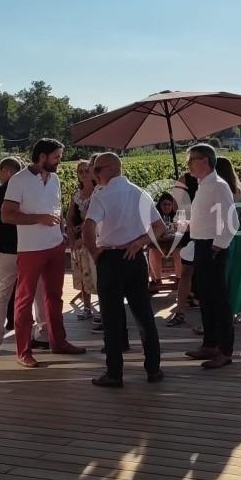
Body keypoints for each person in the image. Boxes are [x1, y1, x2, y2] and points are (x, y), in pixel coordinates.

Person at [82, 152, 167, 387]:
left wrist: (95, 253)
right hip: (135, 257)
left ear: (109, 169)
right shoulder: (140, 193)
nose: (94, 175)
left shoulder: (102, 196)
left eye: (97, 170)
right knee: (144, 315)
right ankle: (153, 369)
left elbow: (87, 229)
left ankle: (114, 373)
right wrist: (140, 242)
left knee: (111, 317)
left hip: (110, 257)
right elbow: (159, 226)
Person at [3, 138, 85, 368]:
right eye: (56, 156)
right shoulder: (19, 181)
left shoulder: (56, 179)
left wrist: (62, 235)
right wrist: (38, 219)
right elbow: (6, 215)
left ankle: (58, 342)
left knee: (55, 297)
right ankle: (23, 352)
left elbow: (55, 211)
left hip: (55, 246)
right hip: (30, 250)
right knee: (24, 300)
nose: (60, 161)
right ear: (42, 156)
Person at [0, 157, 51, 356]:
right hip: (32, 248)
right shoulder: (35, 188)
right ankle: (42, 335)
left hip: (6, 250)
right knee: (38, 293)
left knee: (2, 295)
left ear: (6, 171)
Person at [184, 144, 236, 369]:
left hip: (211, 248)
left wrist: (217, 247)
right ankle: (210, 343)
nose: (189, 165)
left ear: (204, 160)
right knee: (205, 297)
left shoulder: (218, 185)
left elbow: (231, 221)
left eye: (192, 160)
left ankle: (225, 350)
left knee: (218, 300)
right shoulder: (204, 184)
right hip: (202, 246)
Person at [215, 157, 241, 323]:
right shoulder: (238, 191)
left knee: (221, 275)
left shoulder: (220, 190)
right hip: (238, 235)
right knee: (236, 275)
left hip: (224, 235)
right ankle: (234, 311)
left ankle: (221, 314)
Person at [164, 174, 199, 328]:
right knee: (186, 272)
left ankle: (183, 311)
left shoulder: (211, 180)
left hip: (203, 231)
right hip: (189, 230)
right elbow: (176, 207)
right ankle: (180, 311)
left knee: (190, 273)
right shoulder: (184, 179)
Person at [67, 158, 98, 319]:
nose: (84, 174)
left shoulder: (99, 191)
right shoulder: (77, 195)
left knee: (96, 272)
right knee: (83, 271)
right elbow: (70, 216)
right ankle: (87, 307)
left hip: (95, 237)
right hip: (80, 238)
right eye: (81, 171)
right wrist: (71, 234)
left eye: (87, 170)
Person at [148, 192, 179, 290]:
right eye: (164, 204)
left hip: (173, 242)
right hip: (159, 242)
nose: (166, 207)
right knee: (153, 251)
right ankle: (157, 279)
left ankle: (179, 277)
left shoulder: (176, 216)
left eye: (169, 204)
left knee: (179, 250)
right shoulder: (155, 216)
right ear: (160, 205)